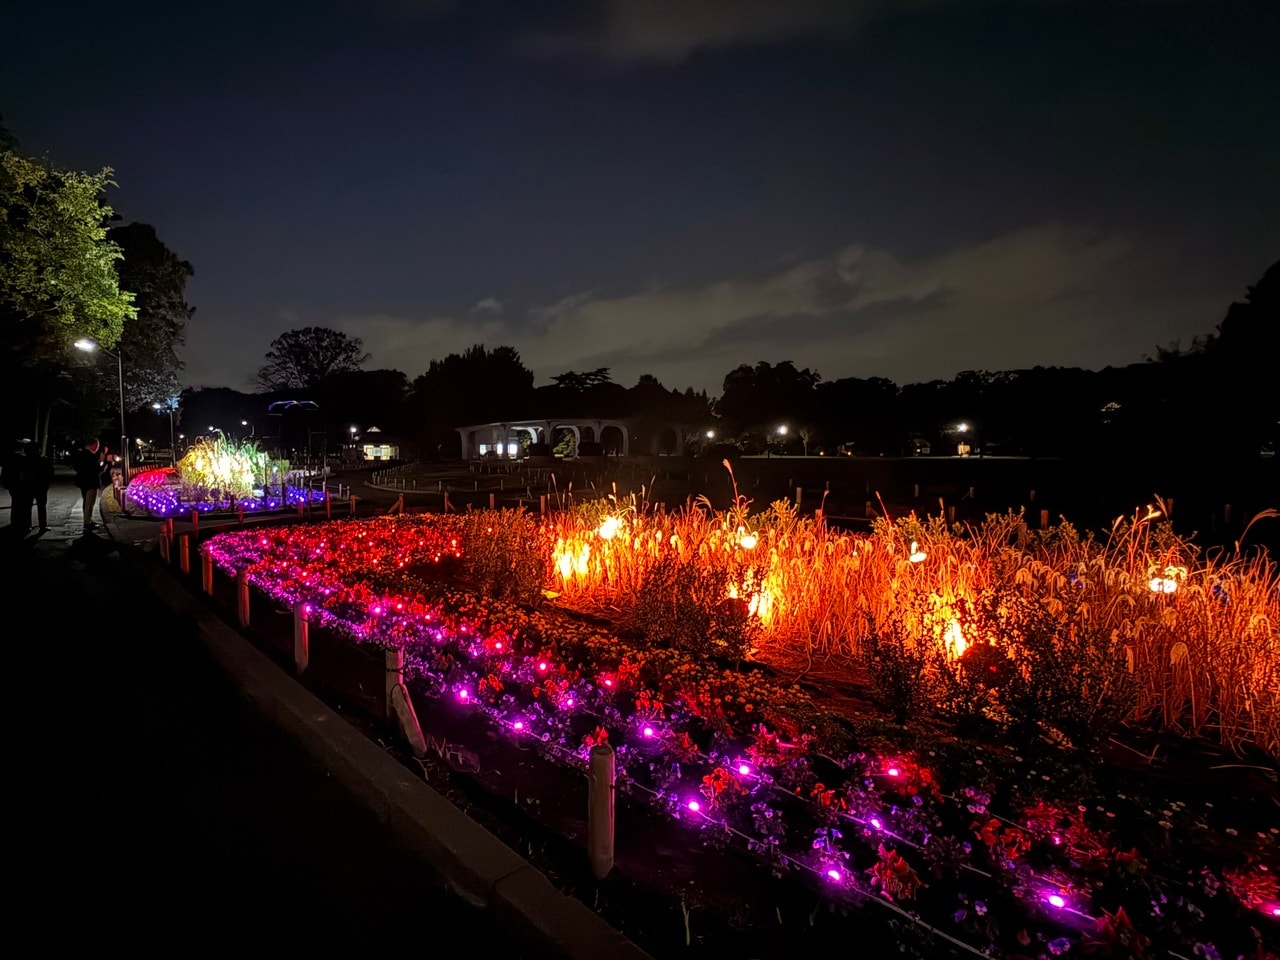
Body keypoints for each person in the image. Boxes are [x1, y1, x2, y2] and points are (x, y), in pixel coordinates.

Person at [2, 439, 33, 537]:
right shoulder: (22, 458)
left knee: (16, 504)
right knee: (24, 505)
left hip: (13, 484)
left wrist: (6, 483)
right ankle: (24, 524)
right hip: (21, 484)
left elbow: (5, 472)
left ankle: (15, 524)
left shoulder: (9, 457)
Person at [72, 438, 104, 530]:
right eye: (97, 446)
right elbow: (97, 469)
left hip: (82, 481)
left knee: (86, 501)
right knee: (89, 503)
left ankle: (88, 519)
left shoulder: (80, 454)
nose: (97, 448)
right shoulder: (91, 456)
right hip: (91, 481)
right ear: (93, 445)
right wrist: (102, 463)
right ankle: (87, 522)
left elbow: (76, 467)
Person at [25, 441, 54, 532]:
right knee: (41, 507)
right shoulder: (44, 460)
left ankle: (27, 525)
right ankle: (43, 525)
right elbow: (50, 473)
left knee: (28, 507)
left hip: (29, 486)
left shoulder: (25, 461)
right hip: (41, 487)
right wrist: (47, 485)